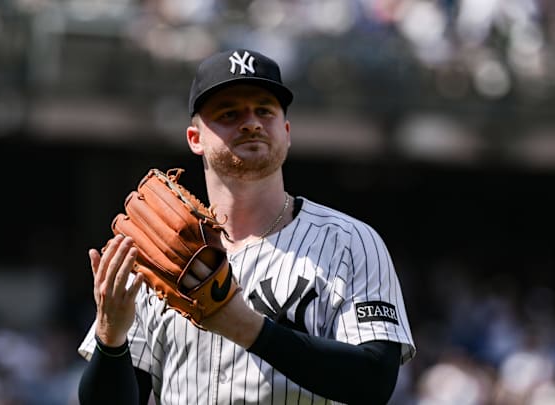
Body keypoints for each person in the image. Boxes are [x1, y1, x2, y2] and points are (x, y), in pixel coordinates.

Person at [77, 49, 416, 405]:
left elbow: (375, 380)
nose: (251, 122)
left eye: (264, 110)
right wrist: (110, 337)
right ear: (195, 138)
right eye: (229, 113)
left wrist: (244, 326)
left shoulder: (349, 241)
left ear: (286, 132)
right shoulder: (157, 257)